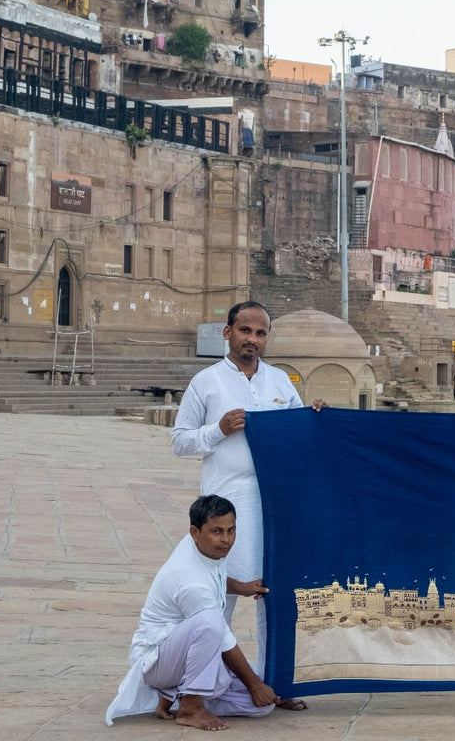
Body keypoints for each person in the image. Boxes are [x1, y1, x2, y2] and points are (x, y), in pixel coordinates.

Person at [172, 301, 323, 677]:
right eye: (245, 330)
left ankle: (273, 682)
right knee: (218, 596)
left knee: (271, 596)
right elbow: (180, 441)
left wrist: (318, 417)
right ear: (228, 333)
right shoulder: (206, 382)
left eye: (260, 333)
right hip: (224, 508)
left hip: (271, 506)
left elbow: (300, 435)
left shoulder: (280, 382)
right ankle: (202, 684)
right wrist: (218, 430)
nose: (252, 339)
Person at [105, 495, 308, 729]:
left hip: (185, 653)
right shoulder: (190, 581)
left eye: (231, 530)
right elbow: (220, 634)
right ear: (195, 532)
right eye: (217, 531)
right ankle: (190, 708)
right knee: (212, 623)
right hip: (157, 662)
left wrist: (240, 588)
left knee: (261, 707)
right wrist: (254, 685)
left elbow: (213, 577)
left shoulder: (203, 547)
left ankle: (176, 696)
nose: (226, 540)